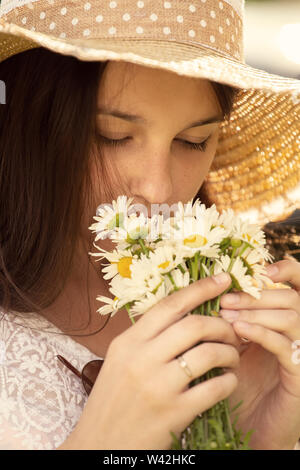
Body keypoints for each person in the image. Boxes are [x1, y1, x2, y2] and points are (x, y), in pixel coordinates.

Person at [0, 0, 299, 450]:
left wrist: (250, 442)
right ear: (25, 120)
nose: (158, 190)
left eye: (193, 141)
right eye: (112, 136)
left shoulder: (248, 321)